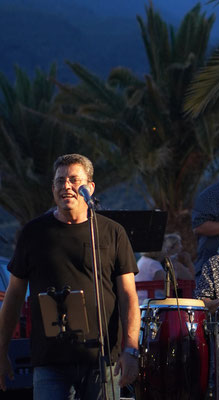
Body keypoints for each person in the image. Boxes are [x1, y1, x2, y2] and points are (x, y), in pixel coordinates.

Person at [0, 154, 140, 399]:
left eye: (74, 180)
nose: (66, 186)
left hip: (103, 360)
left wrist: (131, 350)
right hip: (50, 360)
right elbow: (13, 296)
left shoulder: (112, 232)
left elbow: (128, 295)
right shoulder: (34, 233)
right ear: (53, 188)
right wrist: (1, 352)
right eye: (59, 181)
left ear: (90, 187)